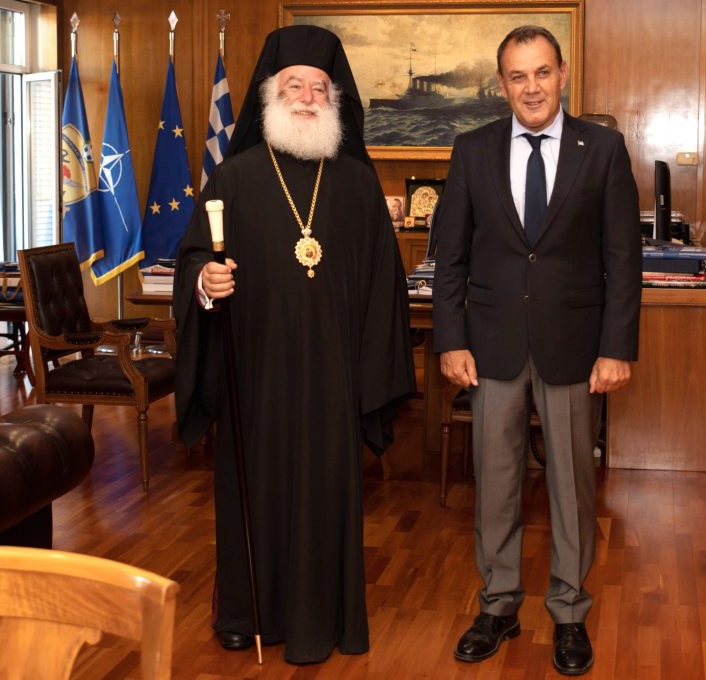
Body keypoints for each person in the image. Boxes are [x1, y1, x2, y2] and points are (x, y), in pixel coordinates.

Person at [173, 25, 414, 665]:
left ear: (334, 99)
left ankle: (325, 618)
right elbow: (193, 256)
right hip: (256, 376)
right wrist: (204, 281)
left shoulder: (358, 185)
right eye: (294, 86)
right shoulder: (233, 179)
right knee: (252, 491)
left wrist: (367, 377)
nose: (307, 97)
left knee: (326, 498)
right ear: (270, 96)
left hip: (334, 378)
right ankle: (245, 611)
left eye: (318, 88)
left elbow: (385, 288)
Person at [432, 25, 641, 676]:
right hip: (491, 345)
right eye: (518, 76)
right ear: (501, 84)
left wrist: (616, 347)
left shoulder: (602, 150)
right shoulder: (472, 150)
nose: (531, 88)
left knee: (571, 484)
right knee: (495, 482)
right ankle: (497, 606)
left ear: (563, 73)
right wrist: (450, 339)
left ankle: (569, 612)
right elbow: (450, 258)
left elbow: (623, 260)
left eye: (542, 72)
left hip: (574, 347)